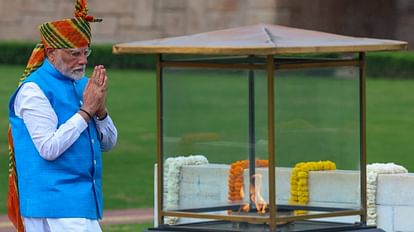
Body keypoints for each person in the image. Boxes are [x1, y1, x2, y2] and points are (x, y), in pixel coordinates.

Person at [7, 0, 117, 231]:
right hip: (50, 204)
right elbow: (48, 148)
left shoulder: (84, 84)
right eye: (74, 54)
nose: (83, 61)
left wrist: (100, 111)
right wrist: (86, 111)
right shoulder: (33, 90)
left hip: (83, 202)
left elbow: (109, 144)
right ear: (51, 53)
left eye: (86, 52)